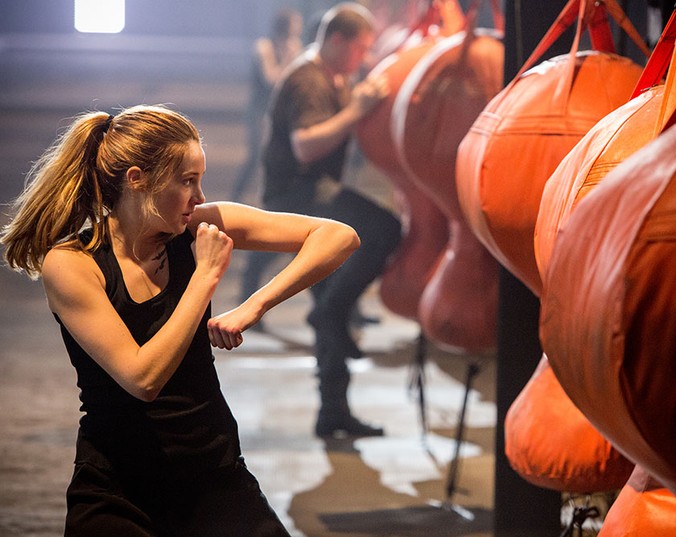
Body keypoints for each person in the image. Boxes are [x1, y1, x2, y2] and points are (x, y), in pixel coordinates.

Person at [0, 104, 360, 536]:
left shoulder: (195, 227)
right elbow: (143, 378)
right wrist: (205, 276)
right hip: (119, 487)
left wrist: (254, 306)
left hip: (216, 471)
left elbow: (339, 237)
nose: (200, 197)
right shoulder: (73, 264)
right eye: (187, 181)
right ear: (138, 180)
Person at [251, 2, 402, 439]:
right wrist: (358, 109)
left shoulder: (331, 75)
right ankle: (338, 307)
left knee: (326, 306)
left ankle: (331, 412)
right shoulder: (308, 79)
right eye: (362, 48)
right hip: (299, 195)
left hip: (313, 194)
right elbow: (305, 146)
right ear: (337, 41)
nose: (365, 57)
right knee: (383, 229)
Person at [230, 8, 304, 202]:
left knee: (278, 156)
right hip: (258, 109)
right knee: (255, 156)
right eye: (295, 23)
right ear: (285, 25)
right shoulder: (265, 46)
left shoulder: (294, 46)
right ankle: (235, 198)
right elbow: (271, 78)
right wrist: (289, 56)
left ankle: (272, 199)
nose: (298, 28)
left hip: (278, 111)